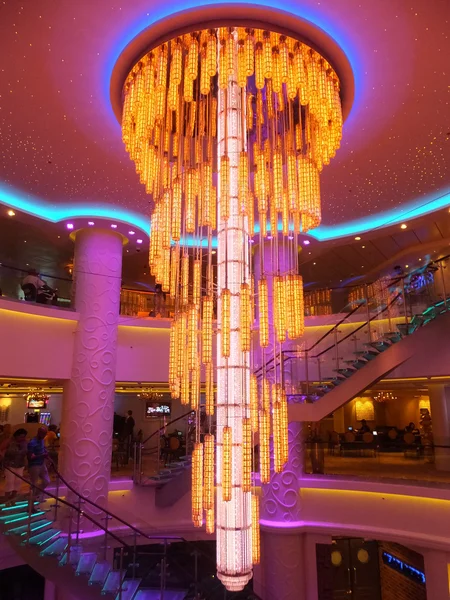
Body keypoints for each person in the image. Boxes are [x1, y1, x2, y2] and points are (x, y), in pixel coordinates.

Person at [0, 428, 28, 505]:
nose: (22, 438)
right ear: (16, 436)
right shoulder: (9, 441)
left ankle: (13, 498)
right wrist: (3, 458)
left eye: (24, 437)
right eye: (21, 437)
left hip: (20, 464)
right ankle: (7, 500)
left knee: (18, 482)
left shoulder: (25, 442)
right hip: (10, 465)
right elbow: (1, 450)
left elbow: (26, 452)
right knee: (10, 482)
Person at [27, 426, 50, 503]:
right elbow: (30, 457)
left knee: (46, 481)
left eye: (45, 434)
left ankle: (35, 496)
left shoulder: (42, 440)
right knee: (34, 484)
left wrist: (45, 452)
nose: (43, 435)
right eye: (42, 433)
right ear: (38, 432)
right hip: (34, 465)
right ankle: (31, 502)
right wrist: (41, 455)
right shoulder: (32, 443)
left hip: (42, 464)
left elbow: (43, 449)